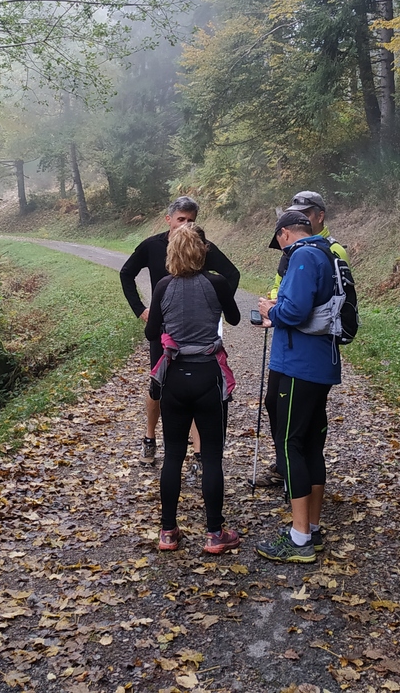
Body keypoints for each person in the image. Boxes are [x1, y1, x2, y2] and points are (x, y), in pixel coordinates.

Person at [120, 196, 240, 464]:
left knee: (196, 388)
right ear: (168, 220)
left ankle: (198, 452)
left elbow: (232, 275)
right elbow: (126, 273)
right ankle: (149, 438)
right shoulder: (152, 245)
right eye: (181, 219)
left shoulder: (202, 246)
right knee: (157, 386)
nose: (185, 225)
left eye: (191, 220)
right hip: (163, 330)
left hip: (197, 333)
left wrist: (215, 306)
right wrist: (140, 309)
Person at [145, 224, 242, 553]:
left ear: (171, 253)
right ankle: (214, 533)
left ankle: (168, 532)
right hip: (208, 376)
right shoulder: (216, 283)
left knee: (173, 454)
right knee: (212, 456)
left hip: (174, 377)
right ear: (202, 251)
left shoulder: (163, 286)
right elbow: (234, 318)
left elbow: (151, 333)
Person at [254, 210, 343, 563]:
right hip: (320, 364)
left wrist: (270, 310)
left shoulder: (303, 256)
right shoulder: (326, 252)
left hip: (298, 365)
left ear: (285, 234)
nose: (280, 248)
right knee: (311, 445)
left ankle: (300, 537)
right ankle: (313, 529)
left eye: (279, 241)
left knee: (290, 444)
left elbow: (295, 312)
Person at [255, 190, 349, 488]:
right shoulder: (307, 252)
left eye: (307, 213)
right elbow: (288, 289)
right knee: (290, 418)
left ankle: (293, 479)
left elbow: (300, 308)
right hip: (307, 353)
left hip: (301, 355)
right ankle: (295, 475)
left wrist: (274, 311)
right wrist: (277, 302)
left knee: (295, 437)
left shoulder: (311, 253)